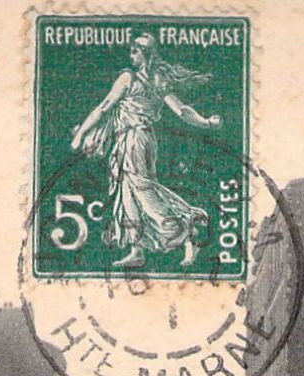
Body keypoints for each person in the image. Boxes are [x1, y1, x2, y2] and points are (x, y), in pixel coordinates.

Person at [69, 32, 224, 269]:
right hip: (135, 139)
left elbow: (103, 108)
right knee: (127, 193)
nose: (131, 52)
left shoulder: (128, 79)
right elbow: (182, 111)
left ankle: (187, 226)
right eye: (131, 48)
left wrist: (80, 134)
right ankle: (137, 249)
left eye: (136, 49)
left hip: (135, 139)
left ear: (146, 54)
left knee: (142, 191)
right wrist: (206, 123)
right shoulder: (158, 80)